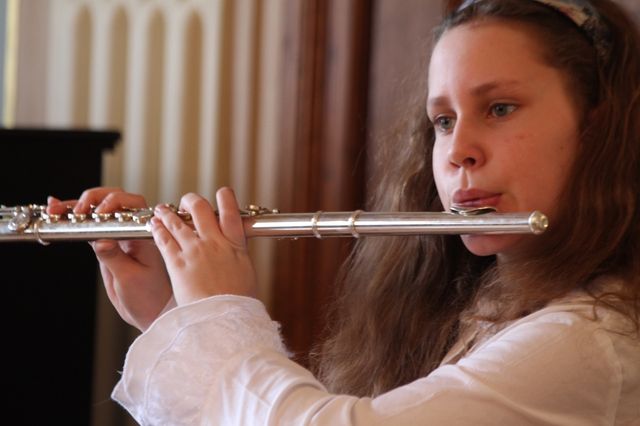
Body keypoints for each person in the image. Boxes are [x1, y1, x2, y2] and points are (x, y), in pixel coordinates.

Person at [48, 0, 640, 424]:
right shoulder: (479, 304)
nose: (457, 150)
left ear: (598, 128)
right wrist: (175, 314)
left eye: (501, 108)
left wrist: (220, 311)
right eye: (443, 120)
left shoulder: (591, 341)